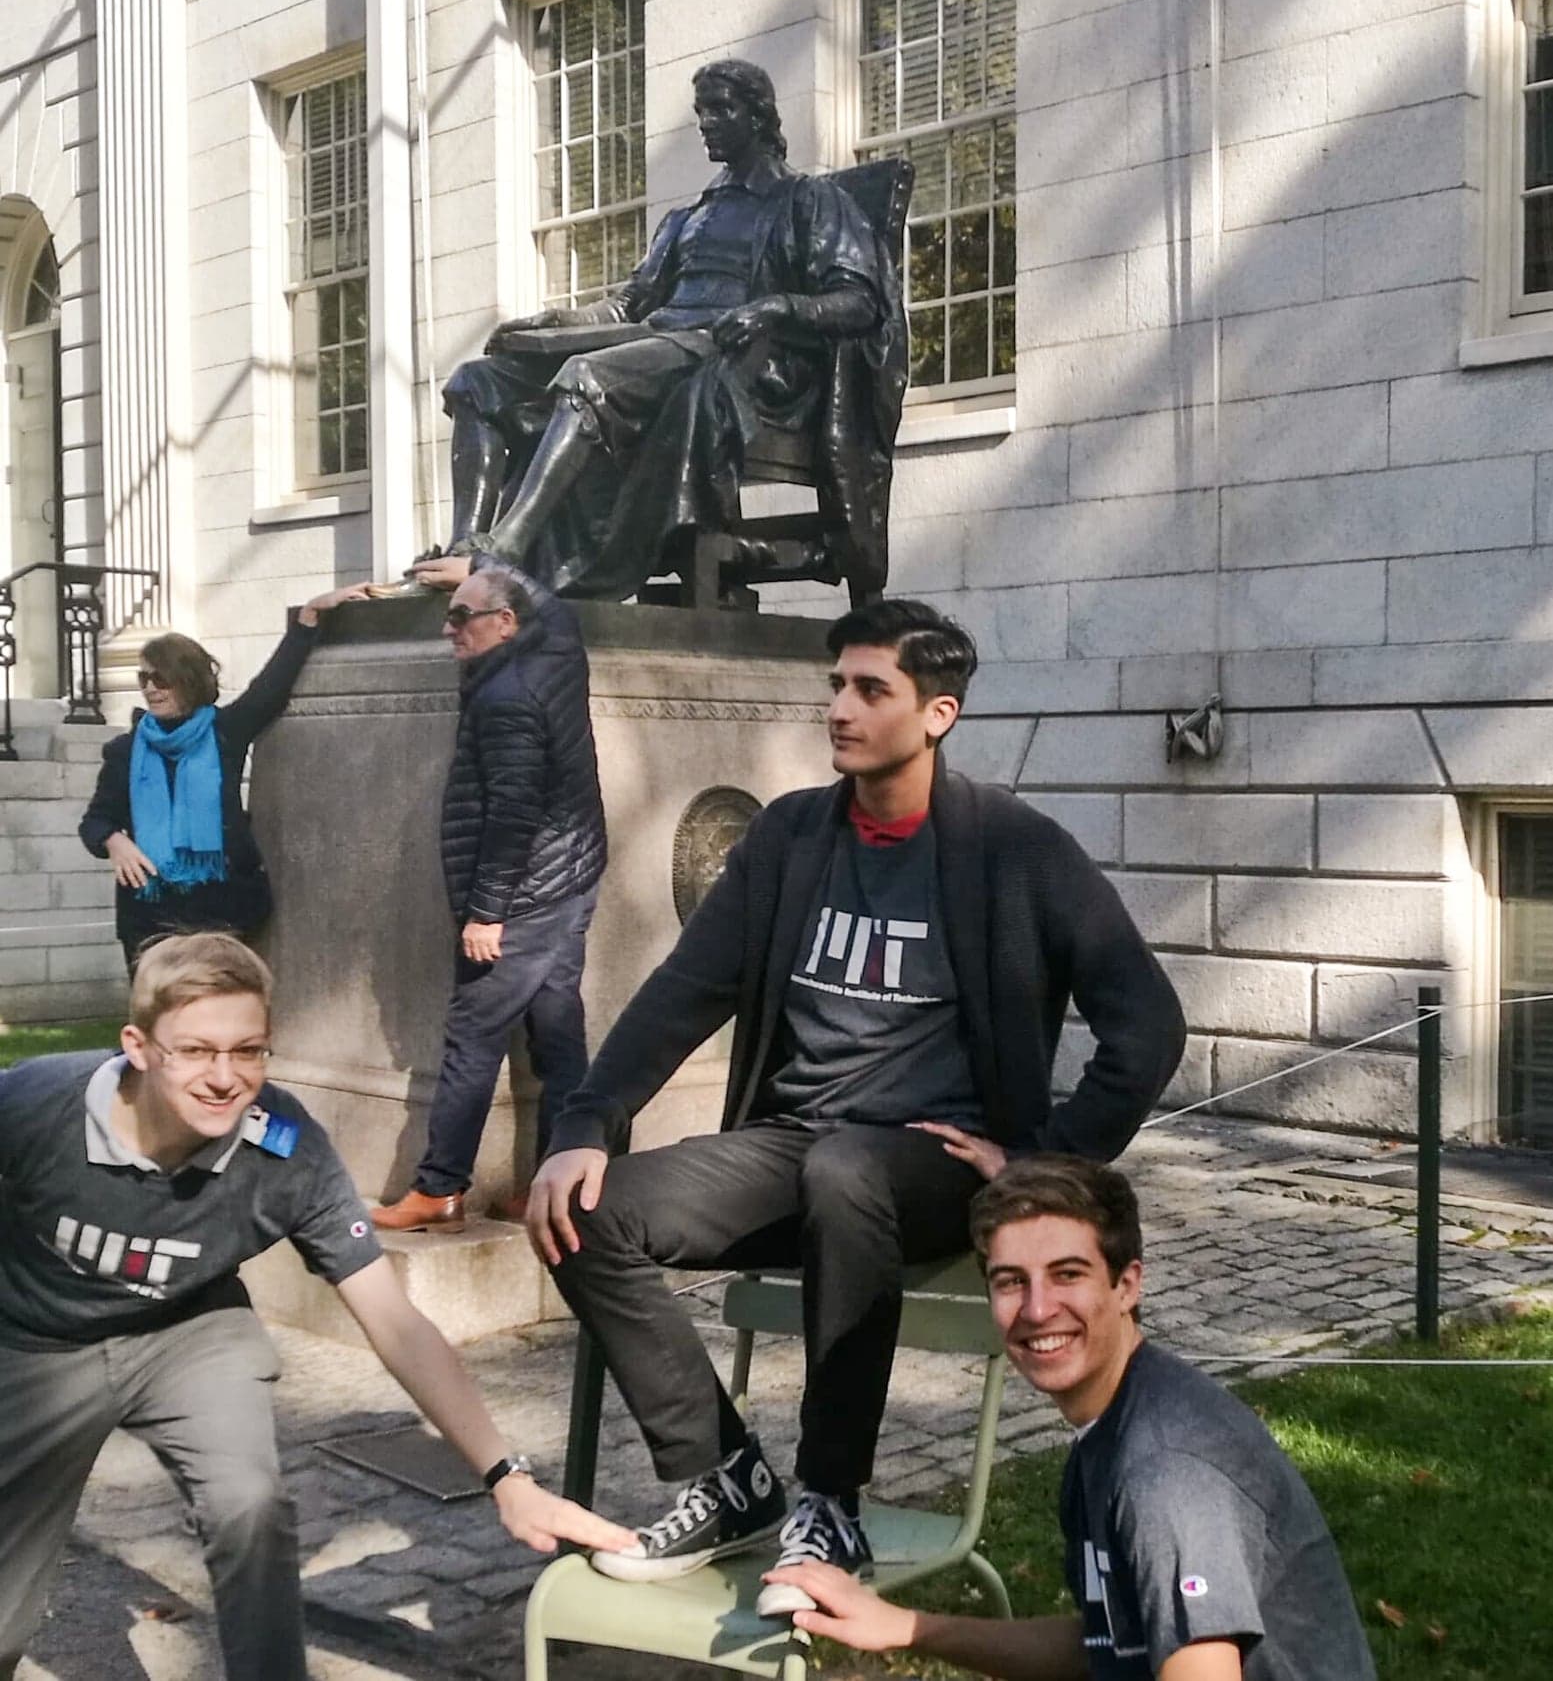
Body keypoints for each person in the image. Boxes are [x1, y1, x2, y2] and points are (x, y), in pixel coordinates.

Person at [526, 598, 1187, 1613]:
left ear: (937, 712)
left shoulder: (1013, 849)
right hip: (790, 1146)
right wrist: (583, 1124)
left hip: (923, 1167)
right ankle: (725, 1474)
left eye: (868, 688)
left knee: (847, 1169)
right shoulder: (792, 835)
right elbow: (681, 992)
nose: (838, 705)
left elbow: (1145, 1024)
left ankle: (829, 1494)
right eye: (834, 682)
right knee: (584, 1211)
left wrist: (1040, 1162)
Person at [0, 931, 632, 1681]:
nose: (224, 1077)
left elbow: (393, 1321)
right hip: (36, 1346)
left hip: (188, 1333)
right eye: (196, 1050)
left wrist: (507, 1478)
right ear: (138, 1045)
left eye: (249, 1050)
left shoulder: (287, 1148)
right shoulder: (37, 1104)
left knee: (250, 1507)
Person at [769, 1157, 1378, 1681]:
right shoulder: (1111, 1427)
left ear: (1127, 1285)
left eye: (1068, 1274)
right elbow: (1107, 1643)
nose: (1037, 1309)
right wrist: (904, 1625)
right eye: (1012, 1282)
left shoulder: (1165, 1476)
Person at [410, 57, 906, 602]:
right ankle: (463, 550)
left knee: (586, 377)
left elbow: (859, 301)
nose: (706, 122)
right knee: (477, 382)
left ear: (761, 116)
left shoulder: (808, 201)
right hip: (656, 345)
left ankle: (502, 554)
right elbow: (627, 308)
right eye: (701, 111)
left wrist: (777, 308)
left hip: (738, 364)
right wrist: (559, 319)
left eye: (721, 108)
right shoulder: (688, 219)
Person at [371, 560, 606, 1232]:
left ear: (504, 624)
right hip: (572, 873)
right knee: (558, 1036)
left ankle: (439, 1186)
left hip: (527, 893)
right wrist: (478, 570)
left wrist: (486, 912)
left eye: (461, 616)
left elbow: (511, 812)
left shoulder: (506, 697)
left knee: (473, 1035)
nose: (449, 628)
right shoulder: (554, 653)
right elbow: (555, 610)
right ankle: (554, 1180)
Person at [79, 588, 369, 972]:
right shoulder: (125, 750)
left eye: (161, 678)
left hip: (222, 910)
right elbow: (95, 821)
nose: (150, 687)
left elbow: (269, 689)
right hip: (149, 914)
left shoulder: (224, 733)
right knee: (162, 1024)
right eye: (144, 677)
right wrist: (114, 841)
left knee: (219, 1016)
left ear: (188, 680)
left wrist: (308, 619)